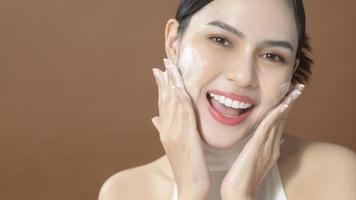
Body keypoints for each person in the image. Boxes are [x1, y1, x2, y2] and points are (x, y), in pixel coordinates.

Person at [99, 0, 356, 199]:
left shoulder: (337, 176)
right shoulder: (125, 192)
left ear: (291, 72)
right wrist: (192, 192)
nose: (244, 76)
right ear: (174, 43)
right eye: (220, 40)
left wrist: (239, 196)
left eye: (272, 56)